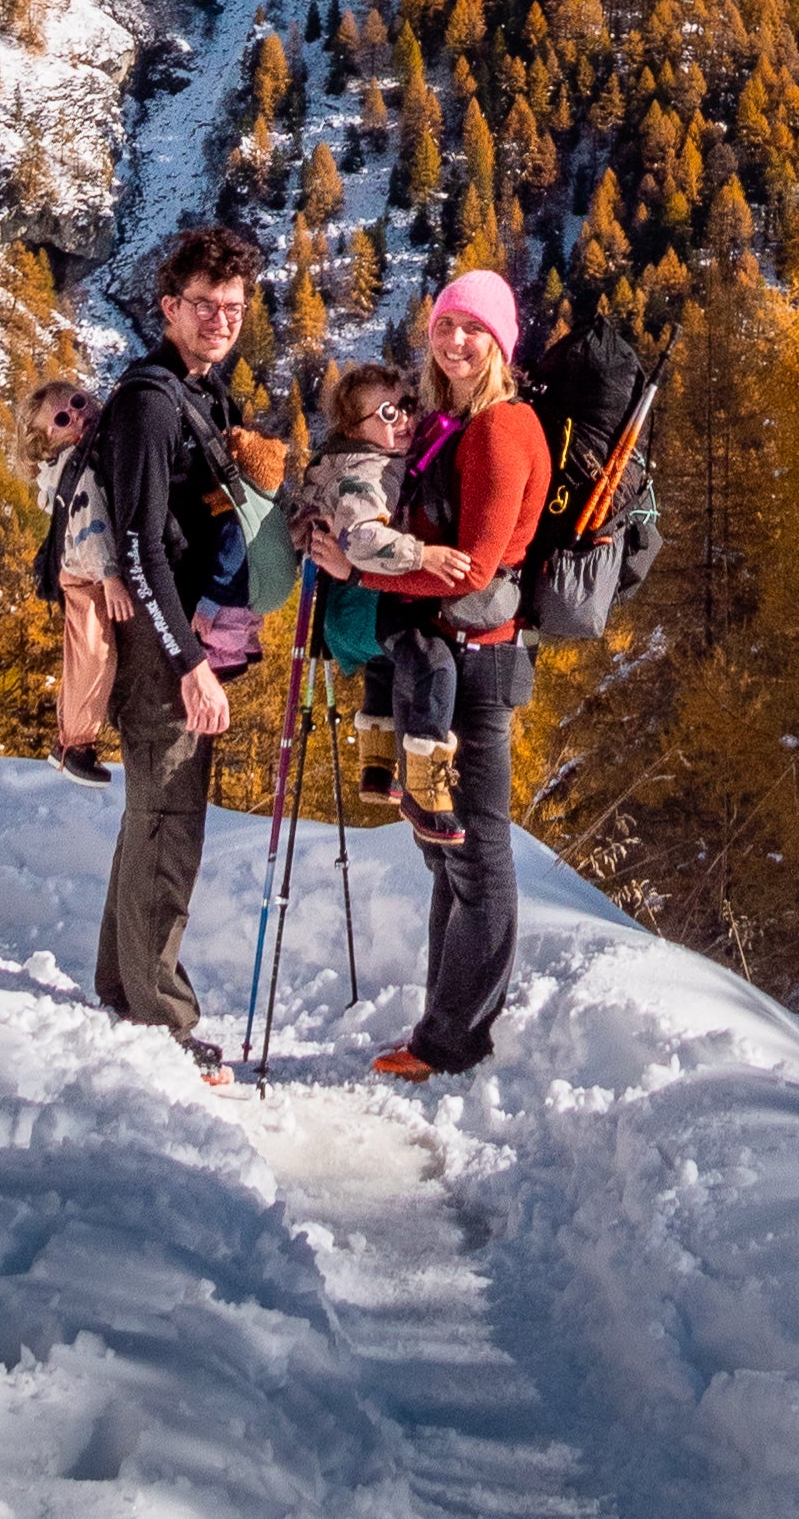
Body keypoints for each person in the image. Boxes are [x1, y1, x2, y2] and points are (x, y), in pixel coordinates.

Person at [323, 268, 550, 1081]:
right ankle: (441, 1026)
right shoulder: (450, 423)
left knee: (477, 853)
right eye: (446, 324)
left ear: (501, 342)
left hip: (480, 659)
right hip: (446, 653)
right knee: (446, 849)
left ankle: (455, 1041)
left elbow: (475, 565)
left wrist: (360, 573)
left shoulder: (498, 428)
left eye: (473, 328)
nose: (455, 340)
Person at [93, 221, 270, 1080]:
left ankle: (121, 984)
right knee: (170, 821)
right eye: (205, 304)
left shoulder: (202, 394)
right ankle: (161, 1014)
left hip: (177, 635)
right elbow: (139, 548)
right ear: (169, 306)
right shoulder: (150, 403)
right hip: (160, 644)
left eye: (233, 305)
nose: (221, 319)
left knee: (153, 817)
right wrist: (188, 664)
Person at [281, 363, 472, 814]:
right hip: (365, 601)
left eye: (407, 405)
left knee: (383, 666)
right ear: (354, 428)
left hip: (341, 612)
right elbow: (362, 540)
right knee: (434, 664)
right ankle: (426, 786)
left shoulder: (336, 459)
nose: (404, 419)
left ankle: (377, 767)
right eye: (387, 413)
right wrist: (423, 556)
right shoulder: (367, 471)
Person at [24, 378, 120, 785]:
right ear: (49, 438)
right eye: (63, 419)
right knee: (94, 656)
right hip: (86, 574)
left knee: (84, 654)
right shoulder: (79, 468)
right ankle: (75, 745)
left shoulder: (83, 455)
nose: (77, 415)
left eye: (77, 402)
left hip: (81, 571)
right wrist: (110, 576)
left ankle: (71, 740)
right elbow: (91, 524)